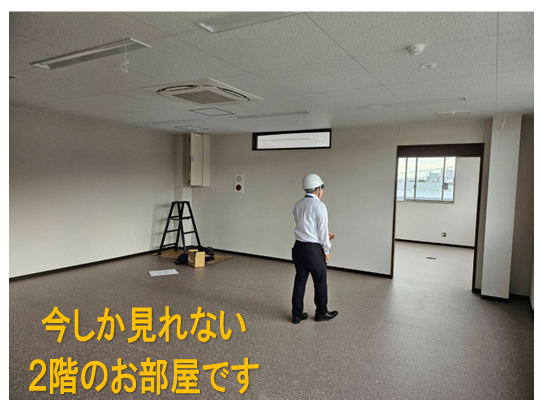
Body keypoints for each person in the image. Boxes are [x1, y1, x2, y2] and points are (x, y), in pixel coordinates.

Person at [291, 173, 338, 324]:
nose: (323, 190)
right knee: (320, 280)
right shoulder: (319, 206)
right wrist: (326, 249)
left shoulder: (298, 204)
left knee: (300, 280)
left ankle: (297, 314)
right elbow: (322, 229)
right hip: (313, 250)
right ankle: (321, 312)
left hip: (298, 247)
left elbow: (305, 226)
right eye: (322, 187)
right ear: (317, 189)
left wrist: (322, 236)